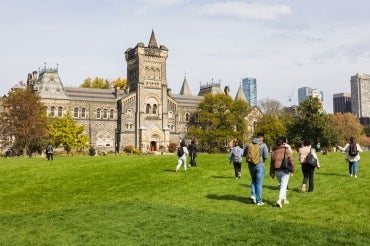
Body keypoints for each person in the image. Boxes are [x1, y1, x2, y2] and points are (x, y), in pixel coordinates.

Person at [243, 132, 269, 205]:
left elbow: (244, 154)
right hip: (260, 164)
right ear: (262, 137)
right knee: (259, 183)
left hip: (251, 165)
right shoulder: (263, 145)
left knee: (253, 180)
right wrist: (262, 159)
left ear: (256, 136)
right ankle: (259, 201)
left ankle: (253, 195)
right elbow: (266, 156)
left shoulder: (248, 144)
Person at [270, 138, 295, 208]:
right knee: (284, 186)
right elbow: (292, 160)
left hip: (277, 171)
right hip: (285, 170)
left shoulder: (274, 151)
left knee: (282, 185)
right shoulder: (286, 150)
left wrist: (272, 172)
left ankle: (284, 200)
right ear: (283, 143)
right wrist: (292, 170)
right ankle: (279, 200)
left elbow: (271, 163)